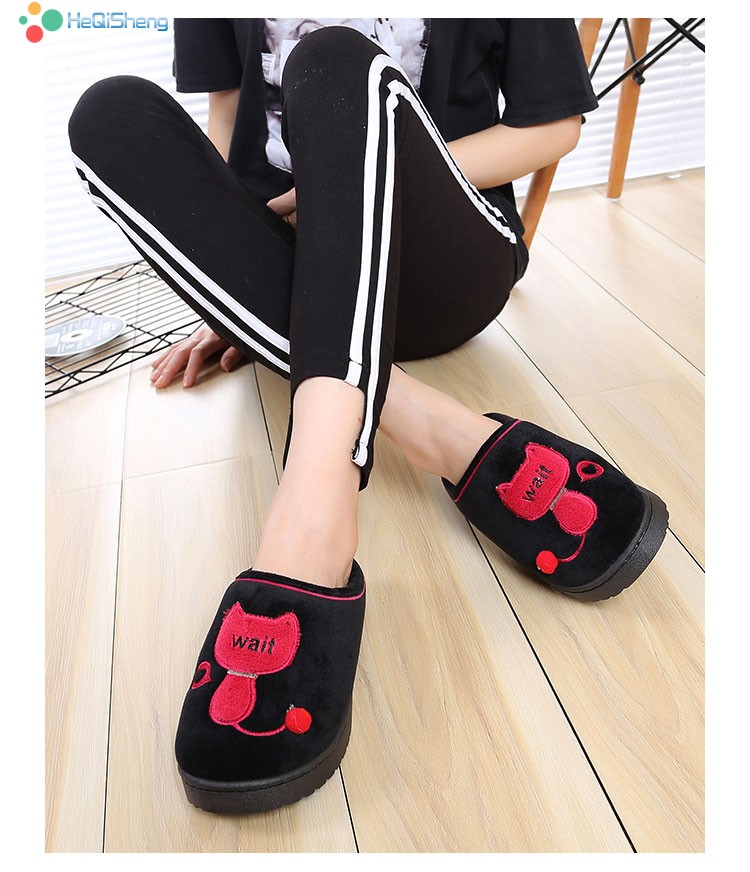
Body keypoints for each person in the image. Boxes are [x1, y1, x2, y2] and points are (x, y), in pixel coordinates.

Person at [68, 18, 668, 815]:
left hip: (440, 253)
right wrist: (228, 275)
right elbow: (227, 113)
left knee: (331, 60)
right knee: (106, 114)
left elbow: (553, 124)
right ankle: (432, 425)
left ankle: (313, 508)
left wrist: (345, 181)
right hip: (291, 262)